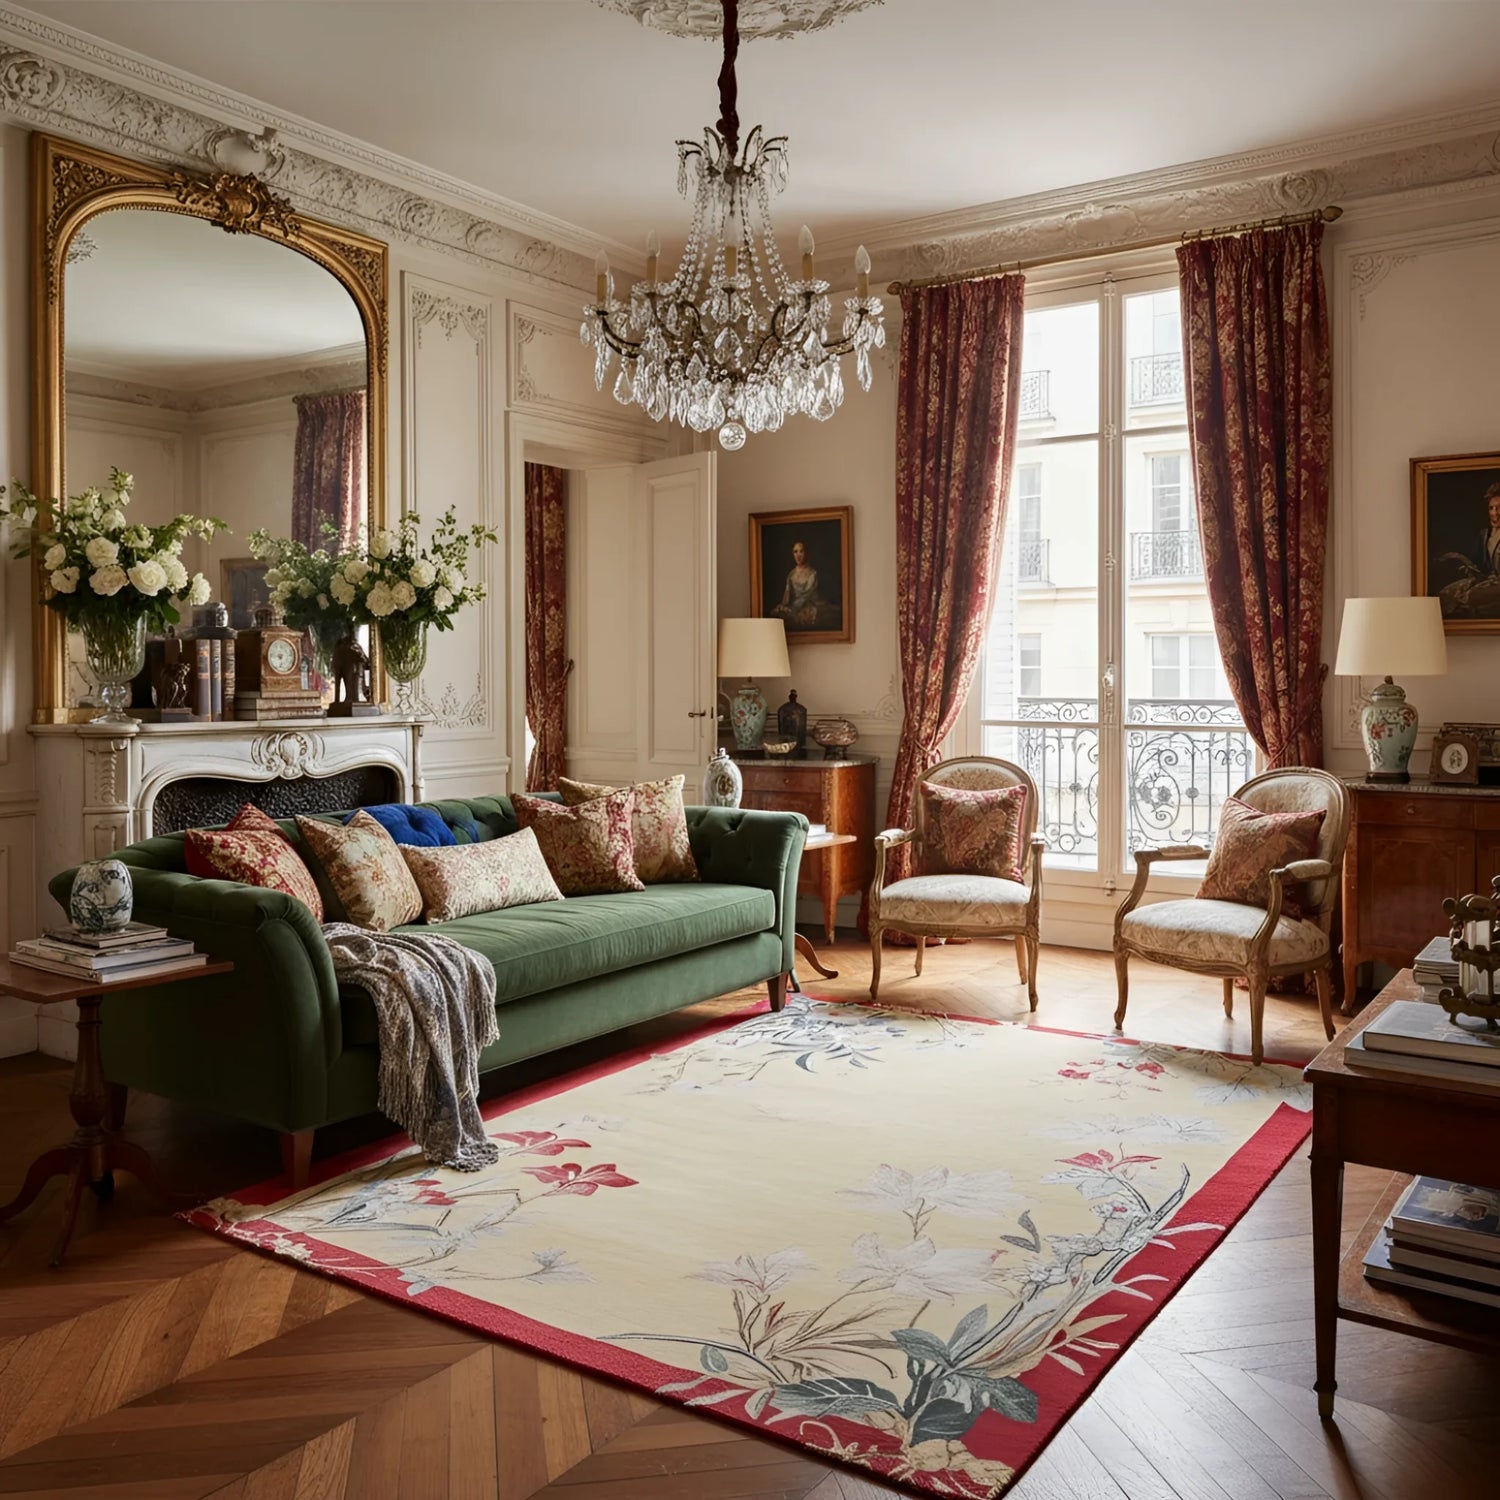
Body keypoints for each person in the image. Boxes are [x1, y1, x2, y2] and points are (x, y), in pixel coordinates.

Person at [1438, 481, 1500, 619]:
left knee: (1470, 597)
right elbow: (1478, 564)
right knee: (1447, 593)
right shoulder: (1484, 535)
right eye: (1491, 508)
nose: (1495, 513)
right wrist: (1470, 569)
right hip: (1486, 581)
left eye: (1499, 508)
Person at [770, 539, 839, 631]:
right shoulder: (791, 574)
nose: (798, 555)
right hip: (794, 607)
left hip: (810, 605)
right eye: (795, 552)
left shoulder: (812, 573)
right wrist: (783, 606)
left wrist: (794, 609)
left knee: (811, 614)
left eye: (801, 551)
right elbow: (786, 598)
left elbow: (808, 596)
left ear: (806, 553)